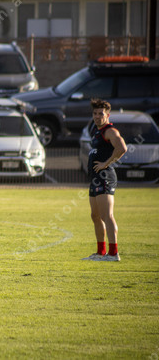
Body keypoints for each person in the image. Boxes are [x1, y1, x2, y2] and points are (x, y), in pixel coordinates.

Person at [82, 98, 127, 261]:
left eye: (100, 113)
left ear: (107, 115)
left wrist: (105, 164)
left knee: (107, 215)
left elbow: (122, 148)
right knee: (95, 216)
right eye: (95, 113)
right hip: (95, 178)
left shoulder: (110, 131)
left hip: (105, 177)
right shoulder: (97, 131)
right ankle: (101, 252)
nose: (97, 116)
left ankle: (113, 253)